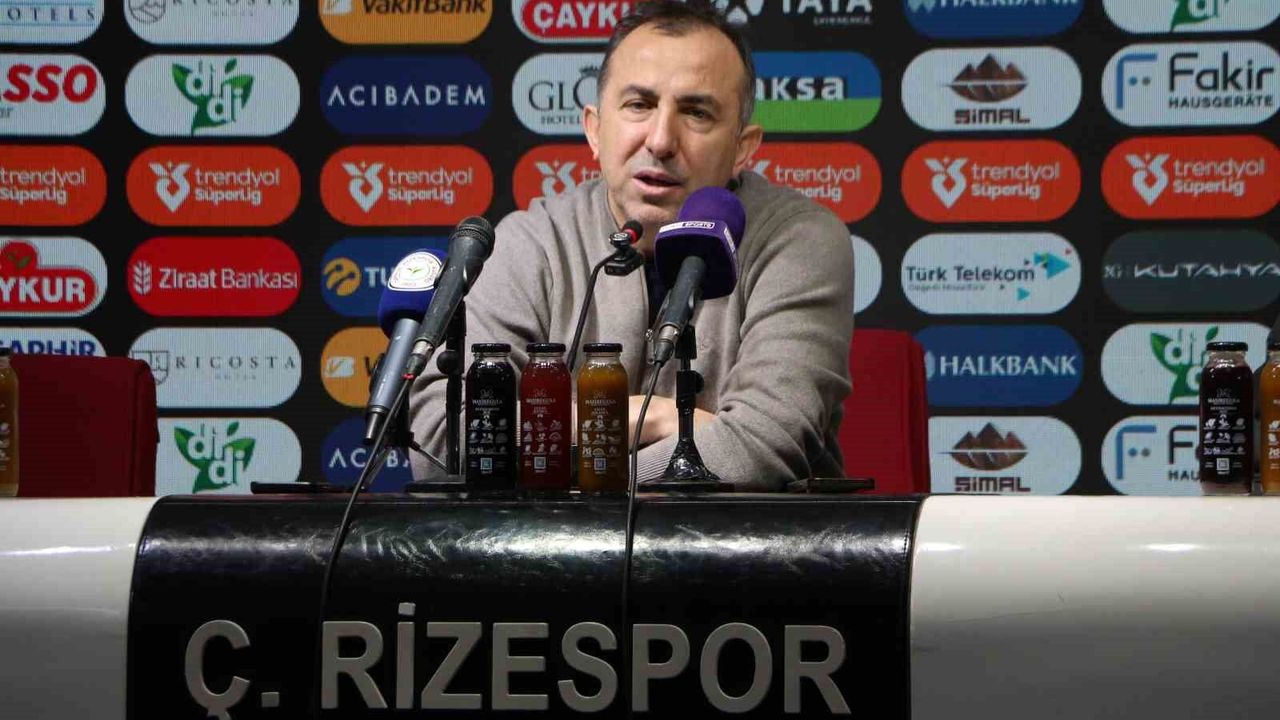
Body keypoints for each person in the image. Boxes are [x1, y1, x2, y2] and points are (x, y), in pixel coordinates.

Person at [409, 0, 854, 490]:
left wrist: (558, 455)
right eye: (639, 105)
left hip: (738, 538)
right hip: (549, 541)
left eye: (696, 112)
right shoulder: (528, 242)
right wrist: (650, 419)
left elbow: (760, 448)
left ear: (742, 148)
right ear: (595, 130)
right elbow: (445, 444)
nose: (660, 140)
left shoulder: (799, 239)